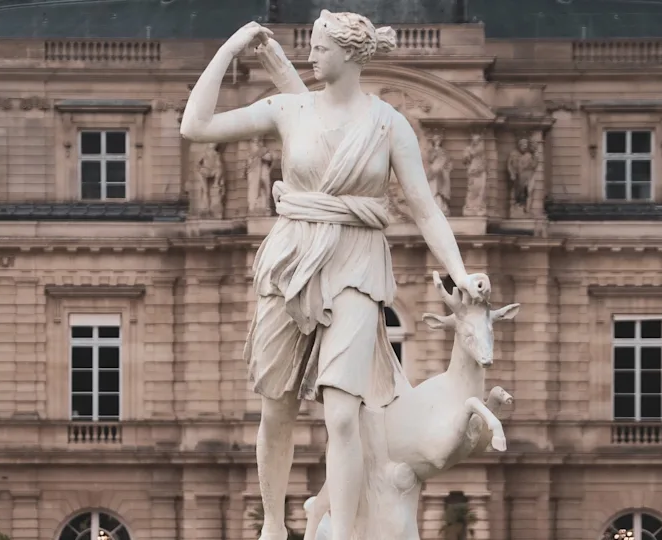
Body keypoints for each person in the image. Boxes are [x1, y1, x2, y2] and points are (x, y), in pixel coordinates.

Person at [180, 12, 488, 540]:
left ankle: (342, 533)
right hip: (293, 258)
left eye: (321, 47)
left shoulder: (390, 123)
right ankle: (274, 527)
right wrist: (229, 47)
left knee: (344, 414)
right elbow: (195, 126)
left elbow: (425, 206)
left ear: (349, 55)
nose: (311, 56)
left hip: (358, 261)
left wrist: (460, 272)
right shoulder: (287, 108)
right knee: (276, 406)